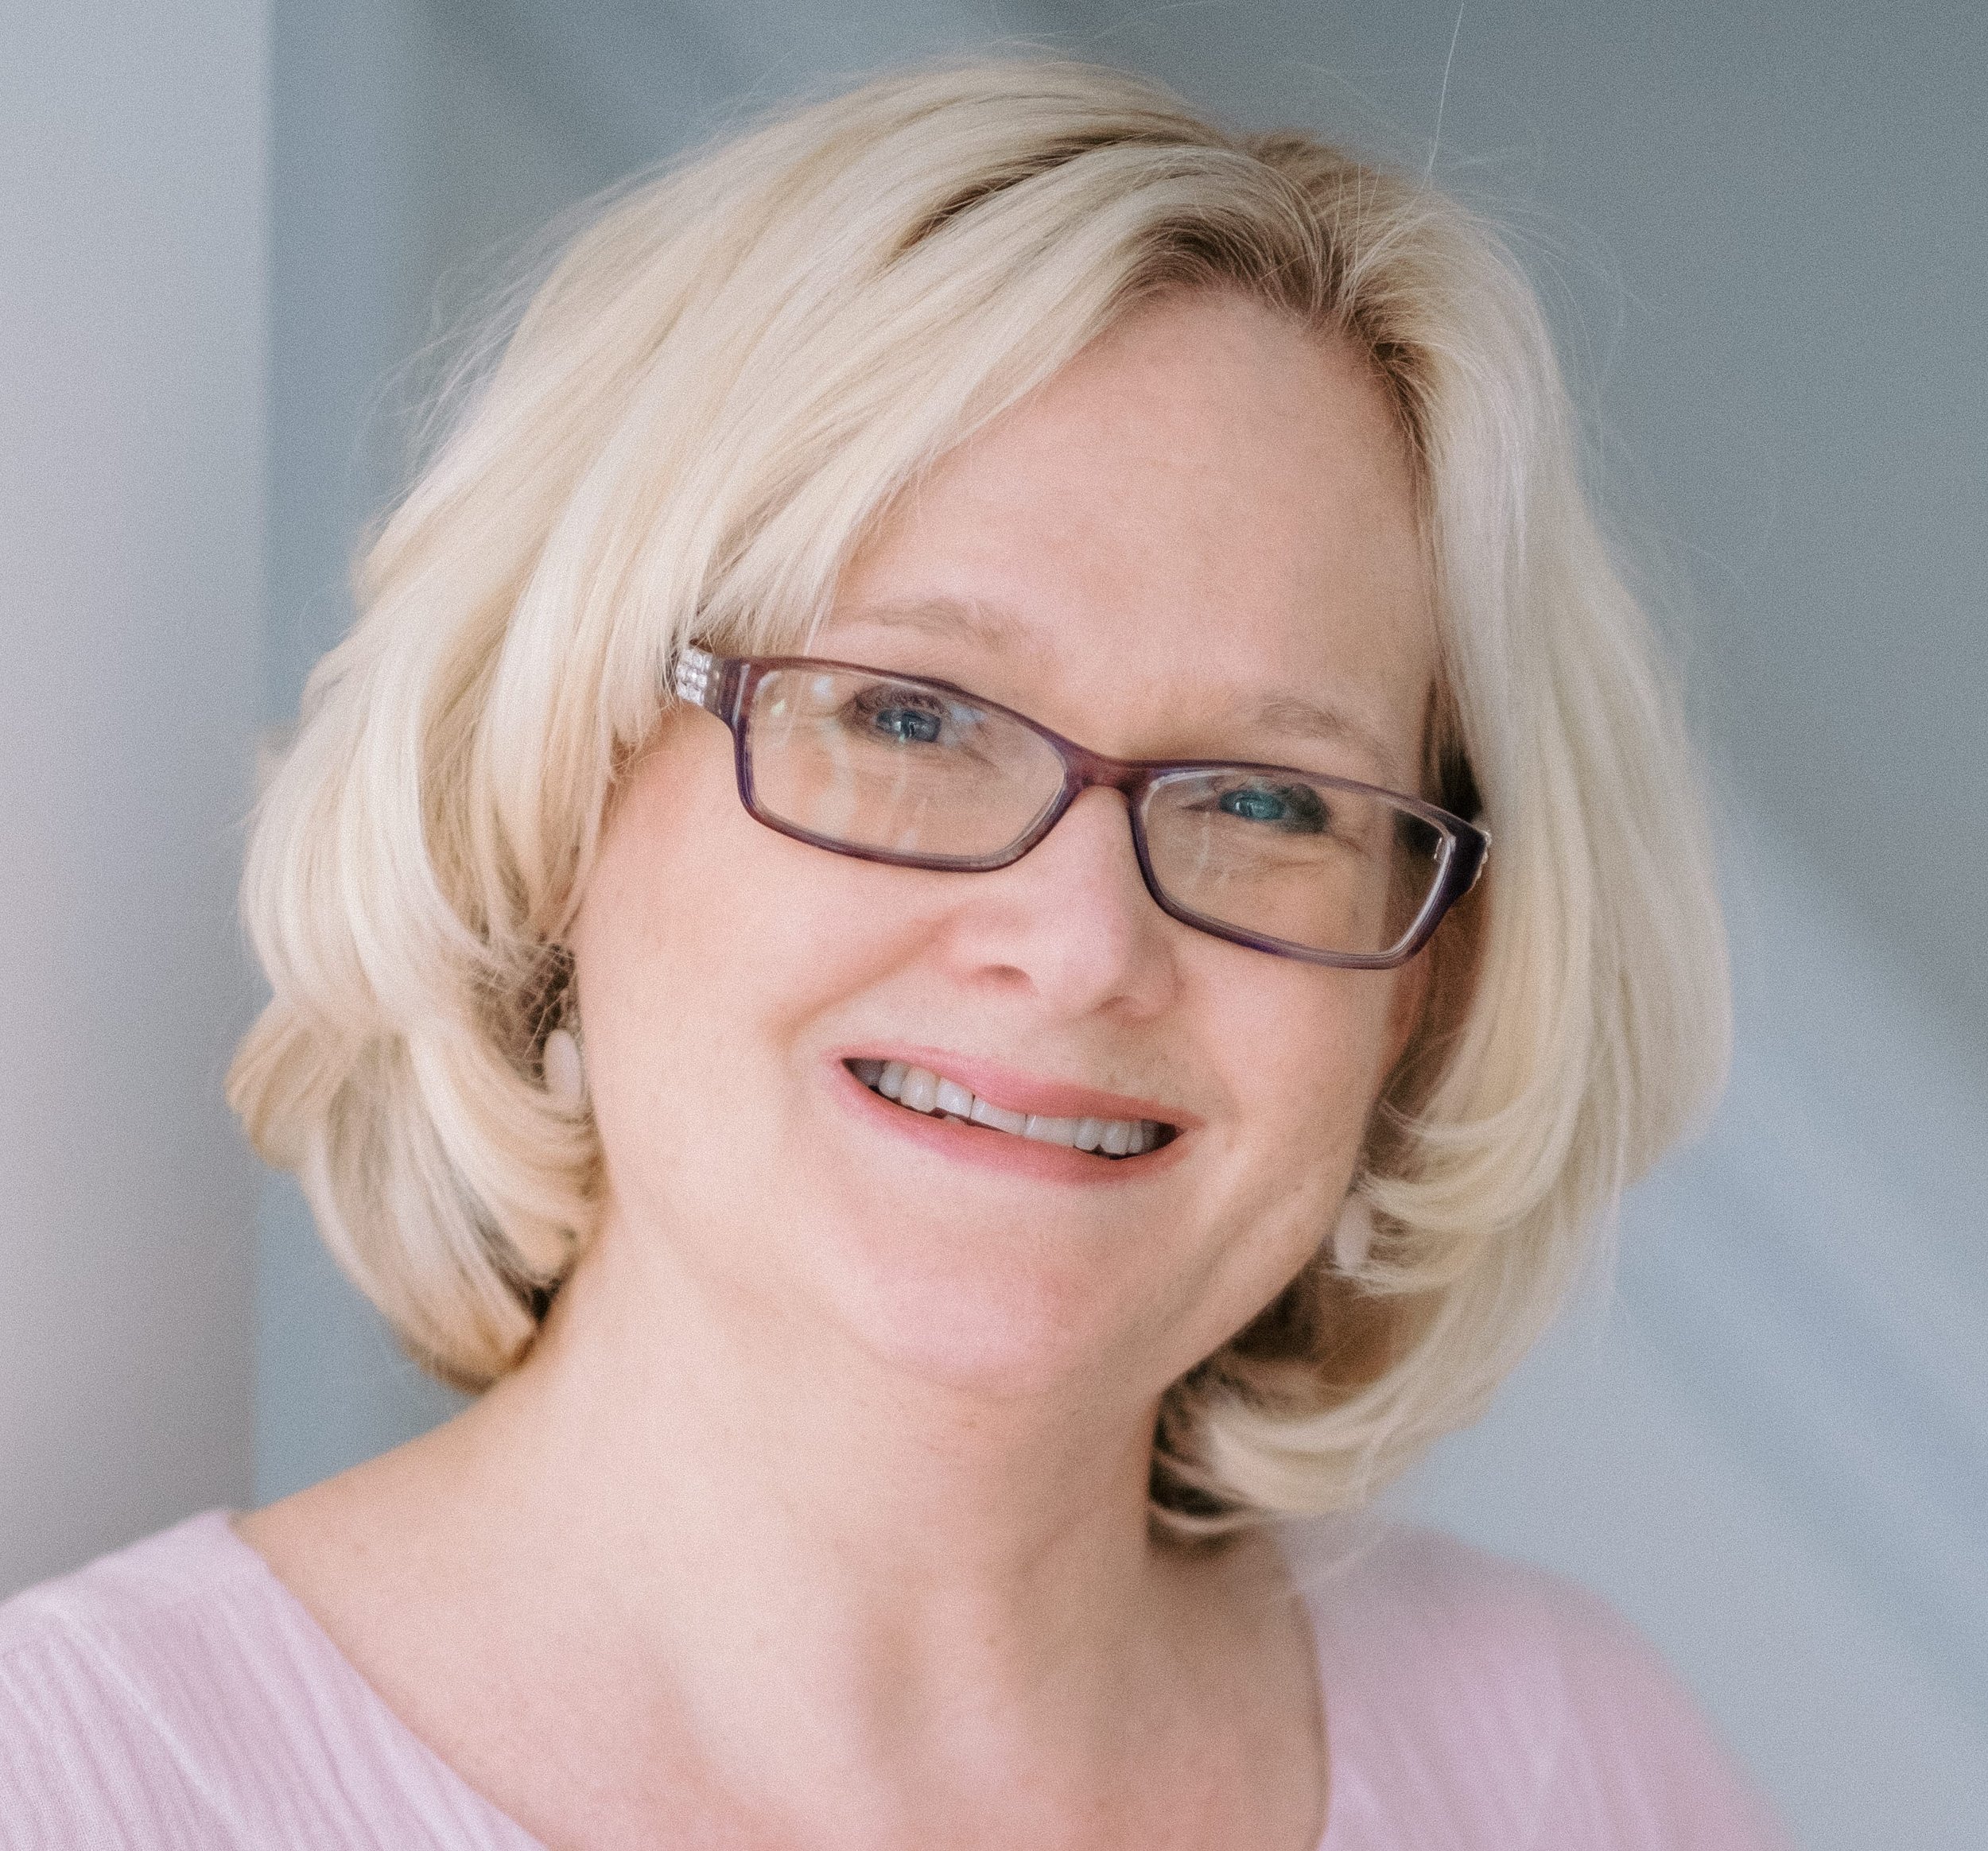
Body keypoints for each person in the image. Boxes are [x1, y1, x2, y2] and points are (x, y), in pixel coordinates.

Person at [0, 58, 1786, 1849]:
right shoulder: (73, 1790)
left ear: (1421, 991)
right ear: (556, 788)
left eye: (1265, 803)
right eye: (911, 717)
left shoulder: (1568, 1762)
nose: (1084, 943)